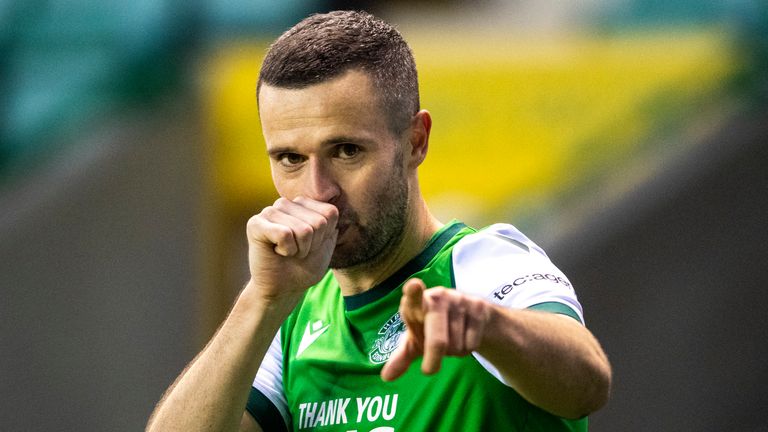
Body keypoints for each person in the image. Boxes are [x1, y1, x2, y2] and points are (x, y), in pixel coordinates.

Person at [147, 10, 611, 432]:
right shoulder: (290, 314)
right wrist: (261, 299)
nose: (317, 191)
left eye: (347, 151)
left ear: (415, 141)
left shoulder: (480, 267)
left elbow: (587, 385)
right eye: (289, 158)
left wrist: (490, 329)